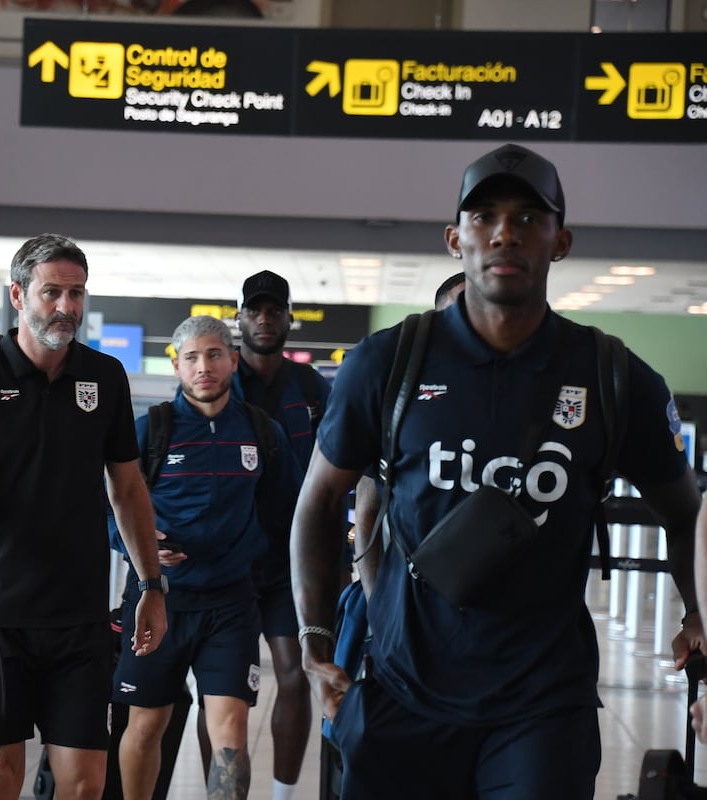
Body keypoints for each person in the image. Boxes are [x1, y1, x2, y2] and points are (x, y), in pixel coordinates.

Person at [289, 143, 705, 799]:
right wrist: (317, 643)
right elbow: (319, 505)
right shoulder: (387, 364)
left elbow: (688, 514)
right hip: (405, 695)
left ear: (560, 241)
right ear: (456, 238)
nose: (504, 233)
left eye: (528, 218)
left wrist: (698, 612)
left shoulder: (612, 377)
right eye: (483, 217)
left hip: (542, 707)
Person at [0, 233, 168, 800]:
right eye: (52, 292)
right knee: (0, 779)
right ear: (17, 294)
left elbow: (128, 490)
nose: (67, 307)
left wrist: (150, 583)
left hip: (79, 619)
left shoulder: (104, 378)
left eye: (76, 293)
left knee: (85, 782)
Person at [113, 315, 302, 800]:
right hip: (159, 602)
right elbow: (106, 515)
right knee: (146, 725)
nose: (204, 367)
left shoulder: (264, 433)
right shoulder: (148, 431)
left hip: (231, 606)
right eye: (192, 357)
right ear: (176, 365)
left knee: (230, 729)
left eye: (214, 355)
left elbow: (287, 513)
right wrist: (140, 544)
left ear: (233, 362)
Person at [202, 271, 329, 800]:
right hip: (228, 557)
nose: (265, 318)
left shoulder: (311, 389)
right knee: (220, 692)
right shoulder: (220, 384)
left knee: (296, 675)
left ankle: (281, 793)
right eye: (255, 310)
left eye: (274, 309)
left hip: (288, 560)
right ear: (240, 319)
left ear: (288, 318)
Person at [349, 272, 466, 594]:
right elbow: (366, 512)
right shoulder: (400, 394)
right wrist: (376, 605)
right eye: (461, 311)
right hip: (411, 595)